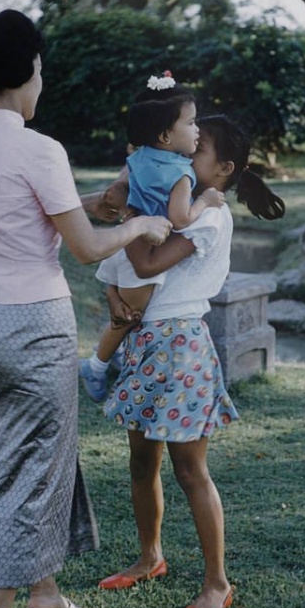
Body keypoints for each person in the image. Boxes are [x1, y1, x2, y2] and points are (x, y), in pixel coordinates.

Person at [0, 10, 171, 608]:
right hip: (33, 322)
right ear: (23, 75)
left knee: (20, 458)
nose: (42, 78)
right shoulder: (38, 147)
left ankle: (43, 597)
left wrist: (96, 207)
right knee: (35, 469)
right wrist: (140, 224)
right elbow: (83, 247)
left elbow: (34, 215)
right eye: (39, 67)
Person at [98, 115, 285, 608]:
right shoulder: (171, 204)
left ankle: (217, 583)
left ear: (223, 169)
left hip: (182, 347)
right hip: (142, 344)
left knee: (189, 469)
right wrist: (115, 294)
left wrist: (134, 205)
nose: (184, 157)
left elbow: (146, 264)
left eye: (197, 151)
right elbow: (121, 267)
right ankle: (149, 557)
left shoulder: (210, 215)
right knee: (141, 463)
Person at [79, 72, 225, 402]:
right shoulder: (181, 174)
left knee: (125, 314)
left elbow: (120, 192)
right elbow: (180, 218)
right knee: (129, 318)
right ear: (165, 135)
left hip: (122, 243)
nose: (197, 131)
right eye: (191, 123)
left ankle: (111, 355)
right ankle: (95, 366)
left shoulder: (139, 156)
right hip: (144, 248)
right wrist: (205, 201)